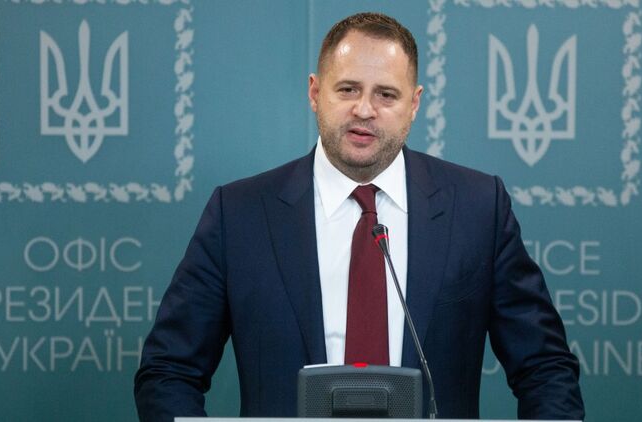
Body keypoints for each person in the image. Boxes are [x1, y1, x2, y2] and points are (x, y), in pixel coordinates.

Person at [134, 12, 584, 421]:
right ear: (315, 93)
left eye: (386, 94)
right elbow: (168, 371)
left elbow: (544, 368)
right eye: (348, 89)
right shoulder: (240, 214)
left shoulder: (478, 207)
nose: (364, 110)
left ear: (414, 105)